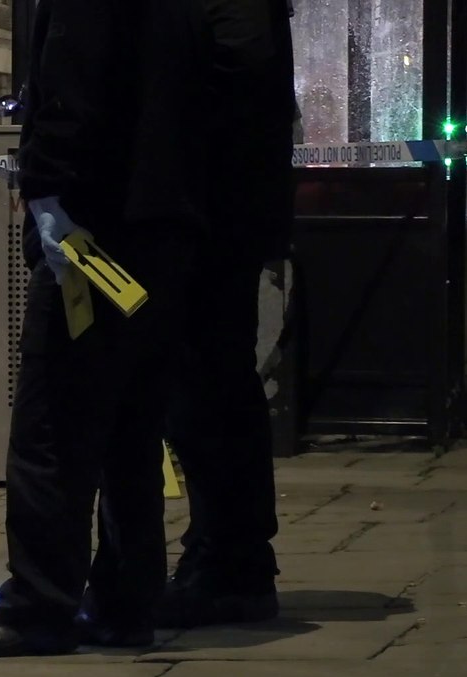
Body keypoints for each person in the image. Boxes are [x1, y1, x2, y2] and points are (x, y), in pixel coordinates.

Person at [0, 0, 211, 658]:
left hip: (95, 233)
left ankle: (39, 606)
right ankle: (124, 604)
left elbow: (69, 90)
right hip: (161, 230)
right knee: (130, 432)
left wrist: (49, 191)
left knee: (52, 427)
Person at [151, 0, 298, 629]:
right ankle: (226, 556)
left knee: (208, 393)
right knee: (209, 391)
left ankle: (229, 562)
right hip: (221, 214)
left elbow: (229, 87)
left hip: (213, 219)